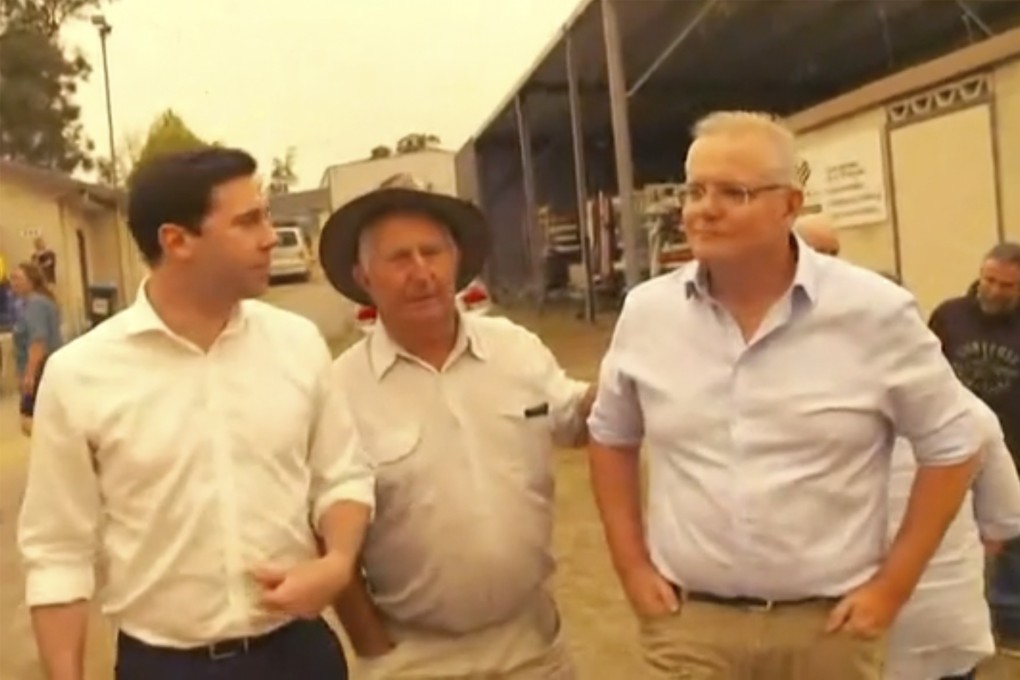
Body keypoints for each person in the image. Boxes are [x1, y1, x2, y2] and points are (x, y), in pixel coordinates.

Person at [587, 111, 981, 680]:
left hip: (827, 632)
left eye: (734, 193)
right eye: (695, 190)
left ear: (789, 205)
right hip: (690, 624)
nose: (704, 209)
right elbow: (610, 436)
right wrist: (631, 567)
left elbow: (953, 445)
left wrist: (892, 588)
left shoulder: (875, 313)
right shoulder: (647, 314)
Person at [17, 147, 374, 680]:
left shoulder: (297, 345)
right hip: (164, 665)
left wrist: (337, 562)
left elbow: (341, 474)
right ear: (177, 241)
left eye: (266, 216)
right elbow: (57, 551)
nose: (270, 237)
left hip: (299, 654)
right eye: (247, 221)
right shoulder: (79, 376)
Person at [321, 174, 594, 679]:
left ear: (457, 260)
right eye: (399, 258)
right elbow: (325, 530)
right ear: (364, 277)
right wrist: (371, 643)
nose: (421, 272)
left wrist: (632, 369)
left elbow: (577, 421)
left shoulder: (514, 348)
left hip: (533, 643)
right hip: (415, 657)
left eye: (433, 252)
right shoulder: (339, 389)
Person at [800, 236, 1020, 679]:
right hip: (932, 630)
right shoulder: (971, 413)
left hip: (856, 633)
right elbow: (1001, 525)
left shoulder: (807, 417)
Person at [928, 242, 1020, 651]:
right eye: (989, 280)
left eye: (1007, 286)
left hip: (1013, 444)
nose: (995, 291)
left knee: (1011, 537)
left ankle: (1011, 628)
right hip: (955, 446)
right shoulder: (950, 316)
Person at [8, 261, 62, 435]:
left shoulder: (36, 304)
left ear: (31, 280)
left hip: (40, 371)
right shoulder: (37, 303)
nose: (13, 283)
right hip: (46, 370)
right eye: (12, 279)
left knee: (30, 422)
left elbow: (38, 341)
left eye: (18, 278)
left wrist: (30, 375)